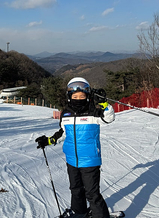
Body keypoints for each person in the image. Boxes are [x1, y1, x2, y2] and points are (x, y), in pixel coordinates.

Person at [35, 77, 115, 218]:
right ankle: (79, 212)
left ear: (88, 96)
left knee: (92, 193)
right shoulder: (66, 113)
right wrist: (48, 140)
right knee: (76, 189)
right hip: (71, 159)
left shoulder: (94, 112)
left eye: (82, 96)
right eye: (75, 96)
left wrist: (103, 103)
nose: (78, 98)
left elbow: (109, 118)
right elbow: (63, 133)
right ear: (69, 97)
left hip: (90, 159)